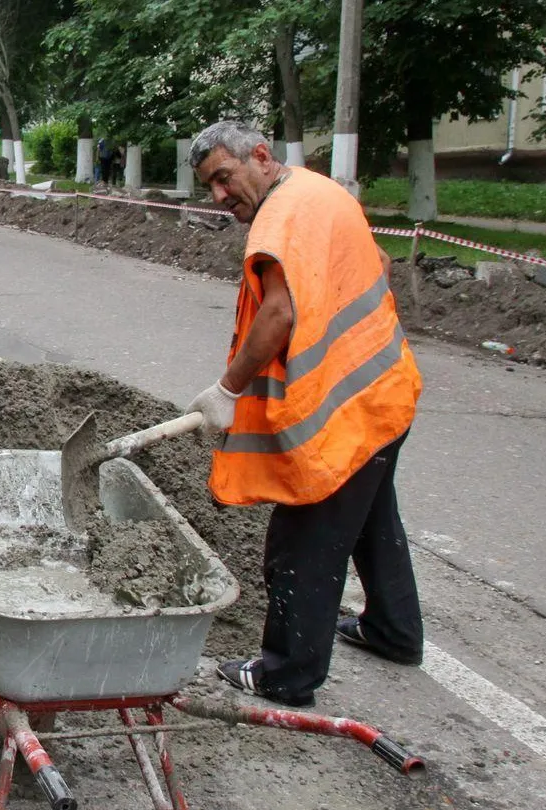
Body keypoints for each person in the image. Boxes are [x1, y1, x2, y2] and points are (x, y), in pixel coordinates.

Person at [184, 120, 424, 707]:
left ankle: (286, 673)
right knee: (371, 520)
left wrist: (227, 389)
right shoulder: (322, 193)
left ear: (260, 157)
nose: (219, 196)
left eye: (223, 177)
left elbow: (280, 314)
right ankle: (393, 631)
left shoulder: (278, 219)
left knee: (303, 539)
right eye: (209, 187)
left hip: (340, 414)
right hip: (385, 389)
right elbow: (380, 263)